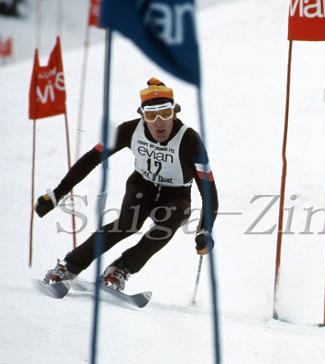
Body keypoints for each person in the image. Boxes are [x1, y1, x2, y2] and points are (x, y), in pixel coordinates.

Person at [35, 77, 218, 291]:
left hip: (175, 195)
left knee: (175, 217)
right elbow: (91, 160)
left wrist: (204, 231)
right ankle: (69, 267)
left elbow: (209, 193)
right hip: (142, 186)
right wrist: (57, 194)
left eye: (165, 113)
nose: (159, 122)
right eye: (151, 115)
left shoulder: (190, 141)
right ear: (142, 115)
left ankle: (120, 270)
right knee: (126, 224)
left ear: (175, 113)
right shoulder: (129, 130)